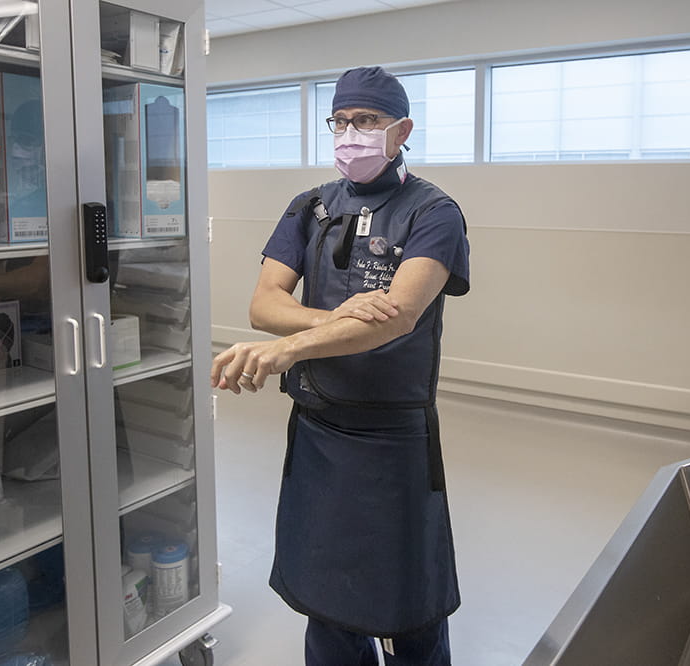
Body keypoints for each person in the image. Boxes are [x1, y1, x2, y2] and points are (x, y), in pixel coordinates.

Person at [210, 66, 471, 666]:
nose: (351, 134)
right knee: (325, 598)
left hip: (392, 436)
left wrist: (288, 349)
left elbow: (399, 315)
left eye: (368, 122)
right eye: (341, 121)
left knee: (411, 600)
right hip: (319, 428)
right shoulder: (311, 207)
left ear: (401, 130)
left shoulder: (433, 212)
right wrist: (330, 320)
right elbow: (263, 304)